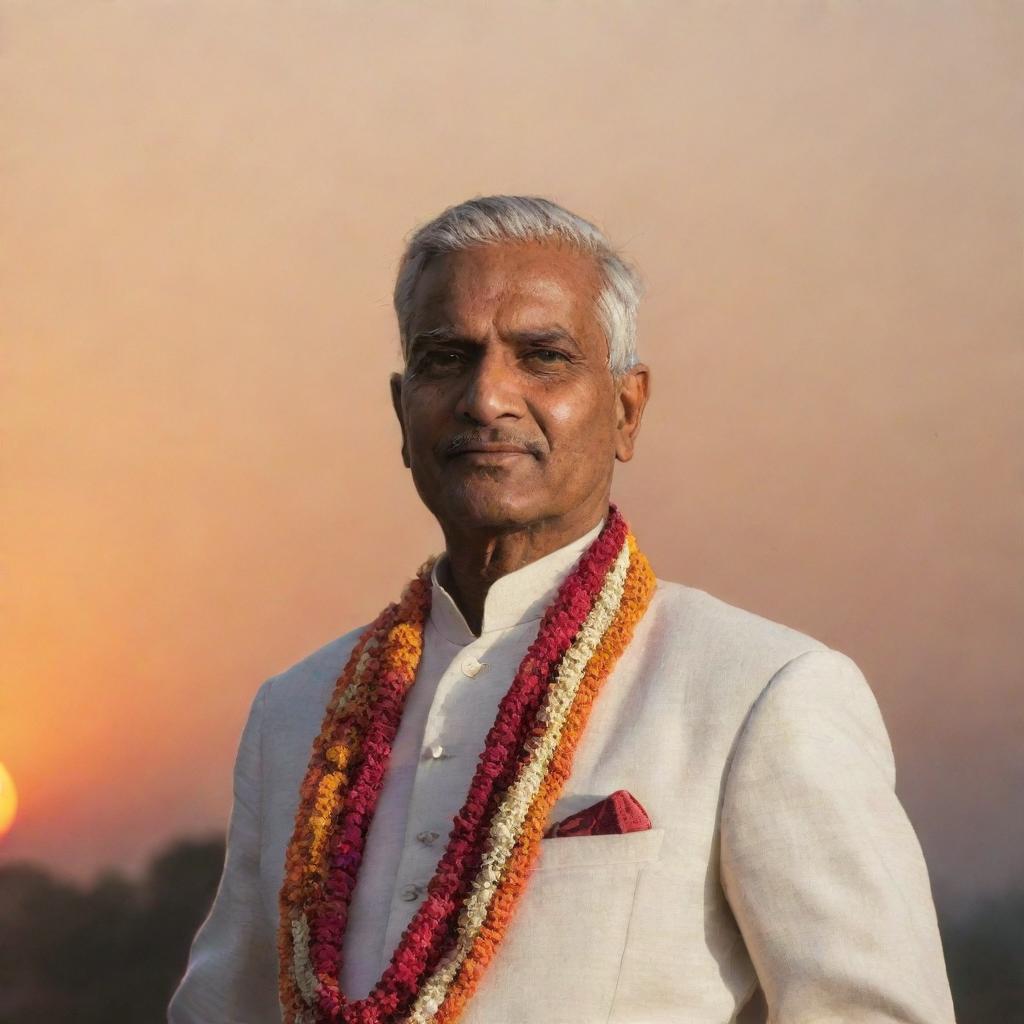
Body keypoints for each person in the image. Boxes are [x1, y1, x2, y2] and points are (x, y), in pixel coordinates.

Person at [167, 195, 956, 1024]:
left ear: (627, 407)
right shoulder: (296, 715)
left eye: (543, 356)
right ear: (402, 412)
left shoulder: (759, 691)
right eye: (447, 358)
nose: (487, 398)